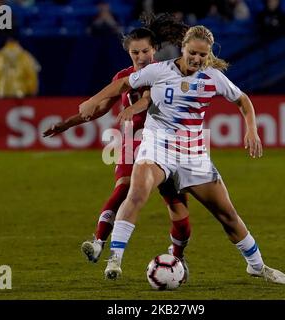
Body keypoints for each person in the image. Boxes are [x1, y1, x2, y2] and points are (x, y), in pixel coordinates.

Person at [79, 25, 285, 285]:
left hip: (193, 154)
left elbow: (243, 100)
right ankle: (115, 258)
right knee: (136, 194)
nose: (197, 59)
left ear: (208, 54)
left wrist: (252, 130)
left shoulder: (213, 78)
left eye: (203, 55)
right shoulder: (160, 70)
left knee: (227, 215)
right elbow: (123, 83)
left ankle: (257, 266)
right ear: (183, 47)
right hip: (156, 147)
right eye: (193, 52)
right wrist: (92, 101)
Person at [43, 14, 192, 280]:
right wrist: (67, 124)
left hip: (165, 145)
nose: (141, 56)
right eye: (135, 52)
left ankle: (178, 257)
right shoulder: (123, 77)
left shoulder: (165, 72)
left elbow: (148, 99)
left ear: (154, 50)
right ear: (129, 53)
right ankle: (99, 242)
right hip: (132, 142)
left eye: (145, 51)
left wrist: (133, 107)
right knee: (124, 187)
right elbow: (99, 109)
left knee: (179, 213)